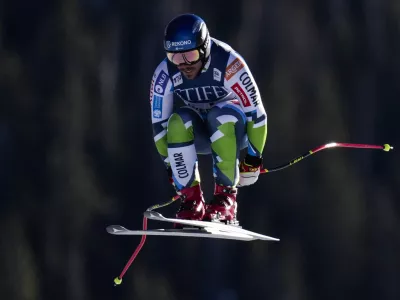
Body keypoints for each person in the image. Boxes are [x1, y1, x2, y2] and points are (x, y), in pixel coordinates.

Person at [149, 13, 267, 224]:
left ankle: (225, 198)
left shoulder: (229, 63)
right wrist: (170, 166)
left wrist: (253, 159)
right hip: (202, 132)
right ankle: (191, 200)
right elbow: (159, 127)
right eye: (175, 57)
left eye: (190, 56)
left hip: (234, 129)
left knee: (219, 116)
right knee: (177, 122)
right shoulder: (164, 73)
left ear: (204, 49)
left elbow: (257, 115)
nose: (183, 65)